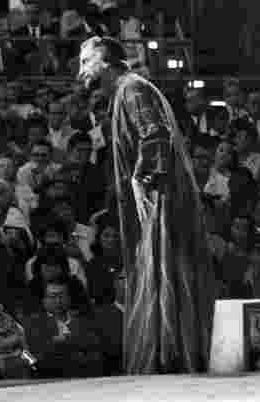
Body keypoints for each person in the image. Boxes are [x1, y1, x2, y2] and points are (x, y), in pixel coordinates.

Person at [77, 36, 214, 374]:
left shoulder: (133, 89)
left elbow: (155, 136)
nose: (81, 70)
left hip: (157, 202)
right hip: (151, 200)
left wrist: (143, 183)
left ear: (106, 61)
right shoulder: (126, 91)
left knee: (164, 270)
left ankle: (171, 355)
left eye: (86, 60)